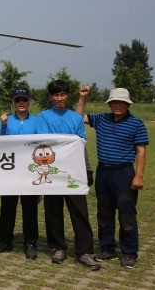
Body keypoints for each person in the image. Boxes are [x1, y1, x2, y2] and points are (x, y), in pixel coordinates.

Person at [77, 86, 148, 269]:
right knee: (104, 212)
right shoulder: (101, 119)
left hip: (124, 173)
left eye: (122, 102)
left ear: (127, 104)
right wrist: (83, 98)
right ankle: (107, 248)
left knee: (127, 214)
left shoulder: (136, 123)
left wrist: (138, 176)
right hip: (103, 172)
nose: (118, 105)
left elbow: (141, 152)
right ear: (110, 104)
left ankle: (129, 252)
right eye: (114, 102)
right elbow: (79, 117)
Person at [37, 79, 100, 271]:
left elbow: (80, 140)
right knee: (53, 210)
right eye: (56, 95)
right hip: (53, 171)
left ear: (67, 96)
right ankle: (58, 247)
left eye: (63, 94)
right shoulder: (43, 116)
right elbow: (44, 141)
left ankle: (84, 251)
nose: (59, 98)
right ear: (50, 97)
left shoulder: (75, 117)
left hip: (74, 171)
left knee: (79, 210)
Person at [0, 86, 39, 259]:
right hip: (10, 169)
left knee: (30, 208)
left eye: (24, 100)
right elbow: (0, 142)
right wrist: (3, 126)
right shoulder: (6, 120)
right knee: (7, 207)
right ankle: (5, 240)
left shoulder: (37, 120)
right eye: (17, 100)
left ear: (29, 102)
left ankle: (30, 242)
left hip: (30, 170)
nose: (21, 103)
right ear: (13, 102)